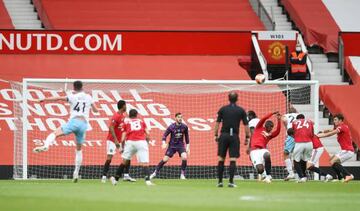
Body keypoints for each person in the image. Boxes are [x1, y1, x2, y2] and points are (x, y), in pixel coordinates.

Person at [33, 80, 99, 183]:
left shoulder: (72, 97)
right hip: (84, 124)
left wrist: (44, 99)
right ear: (82, 87)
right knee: (79, 149)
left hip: (73, 122)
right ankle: (76, 173)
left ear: (74, 87)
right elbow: (96, 110)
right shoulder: (89, 97)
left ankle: (46, 145)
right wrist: (92, 108)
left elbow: (58, 98)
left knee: (54, 133)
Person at [214, 91, 250, 188]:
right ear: (237, 99)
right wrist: (247, 137)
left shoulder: (223, 109)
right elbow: (246, 125)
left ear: (228, 98)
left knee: (221, 158)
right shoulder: (241, 110)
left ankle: (220, 182)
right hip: (234, 136)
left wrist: (215, 135)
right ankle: (230, 182)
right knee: (233, 159)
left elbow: (217, 123)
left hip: (224, 135)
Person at [110, 109, 154, 186]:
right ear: (137, 114)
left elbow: (123, 137)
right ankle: (148, 181)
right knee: (145, 163)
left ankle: (116, 180)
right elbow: (147, 133)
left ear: (129, 115)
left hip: (130, 142)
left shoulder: (126, 122)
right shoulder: (141, 121)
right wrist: (147, 142)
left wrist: (122, 147)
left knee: (124, 161)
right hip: (141, 142)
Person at [101, 100, 136, 183]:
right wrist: (116, 141)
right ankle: (104, 176)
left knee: (127, 156)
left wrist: (123, 141)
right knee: (109, 158)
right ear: (123, 106)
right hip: (112, 140)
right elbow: (111, 128)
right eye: (125, 105)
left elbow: (122, 129)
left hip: (120, 141)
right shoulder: (116, 116)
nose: (126, 107)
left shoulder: (123, 116)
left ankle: (126, 175)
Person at [150, 112, 190, 180]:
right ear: (175, 118)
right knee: (165, 159)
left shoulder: (184, 127)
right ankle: (154, 173)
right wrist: (163, 143)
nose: (180, 118)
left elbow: (187, 138)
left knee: (184, 157)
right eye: (179, 117)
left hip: (180, 146)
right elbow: (164, 135)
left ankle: (182, 175)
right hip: (172, 146)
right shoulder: (171, 127)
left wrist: (188, 147)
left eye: (181, 117)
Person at [317, 113, 355, 183]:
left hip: (348, 151)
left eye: (335, 120)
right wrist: (322, 131)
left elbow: (331, 133)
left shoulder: (342, 127)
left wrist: (319, 136)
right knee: (331, 161)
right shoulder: (340, 127)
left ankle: (349, 175)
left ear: (340, 120)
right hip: (345, 150)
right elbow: (331, 130)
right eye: (334, 120)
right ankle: (340, 178)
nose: (334, 121)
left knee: (333, 161)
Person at [247, 112, 281, 183]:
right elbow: (263, 118)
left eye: (272, 127)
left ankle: (268, 176)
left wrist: (279, 120)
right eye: (270, 126)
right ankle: (263, 174)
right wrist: (272, 113)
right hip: (254, 151)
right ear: (265, 125)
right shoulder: (258, 128)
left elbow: (277, 132)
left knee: (267, 155)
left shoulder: (270, 135)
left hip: (262, 150)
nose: (271, 128)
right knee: (260, 169)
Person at [292, 114, 314, 183]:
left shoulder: (294, 122)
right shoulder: (310, 122)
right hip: (309, 143)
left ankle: (301, 177)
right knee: (304, 160)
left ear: (297, 118)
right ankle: (304, 176)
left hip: (299, 143)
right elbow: (312, 134)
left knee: (296, 161)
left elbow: (292, 131)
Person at [282, 107, 299, 181]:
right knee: (297, 155)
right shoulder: (299, 115)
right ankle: (301, 174)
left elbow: (284, 120)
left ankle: (291, 173)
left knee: (286, 153)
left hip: (291, 135)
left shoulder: (286, 115)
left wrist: (286, 127)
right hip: (299, 135)